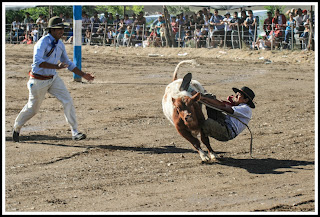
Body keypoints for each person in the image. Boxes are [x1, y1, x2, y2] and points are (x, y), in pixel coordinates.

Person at [12, 16, 95, 143]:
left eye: (62, 29)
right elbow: (37, 63)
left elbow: (67, 62)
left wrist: (83, 74)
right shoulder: (42, 43)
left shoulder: (60, 44)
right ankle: (17, 126)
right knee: (33, 109)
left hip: (53, 78)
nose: (62, 31)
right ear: (51, 30)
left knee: (67, 100)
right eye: (58, 29)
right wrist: (56, 66)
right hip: (38, 80)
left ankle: (75, 132)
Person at [179, 73, 255, 142]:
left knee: (207, 123)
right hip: (223, 121)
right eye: (236, 94)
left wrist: (205, 100)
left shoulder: (246, 109)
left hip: (227, 132)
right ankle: (190, 90)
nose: (236, 95)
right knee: (211, 97)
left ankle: (192, 127)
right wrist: (205, 99)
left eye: (239, 95)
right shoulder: (238, 106)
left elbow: (223, 107)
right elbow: (221, 104)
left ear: (245, 100)